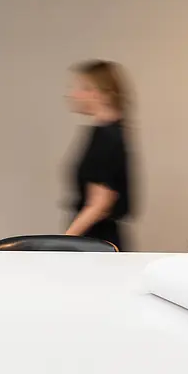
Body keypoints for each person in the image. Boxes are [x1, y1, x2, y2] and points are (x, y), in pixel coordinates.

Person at [66, 60, 133, 250]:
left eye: (82, 88)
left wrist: (64, 241)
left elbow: (100, 203)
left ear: (99, 93)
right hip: (98, 242)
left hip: (95, 245)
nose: (74, 94)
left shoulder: (106, 137)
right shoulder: (111, 132)